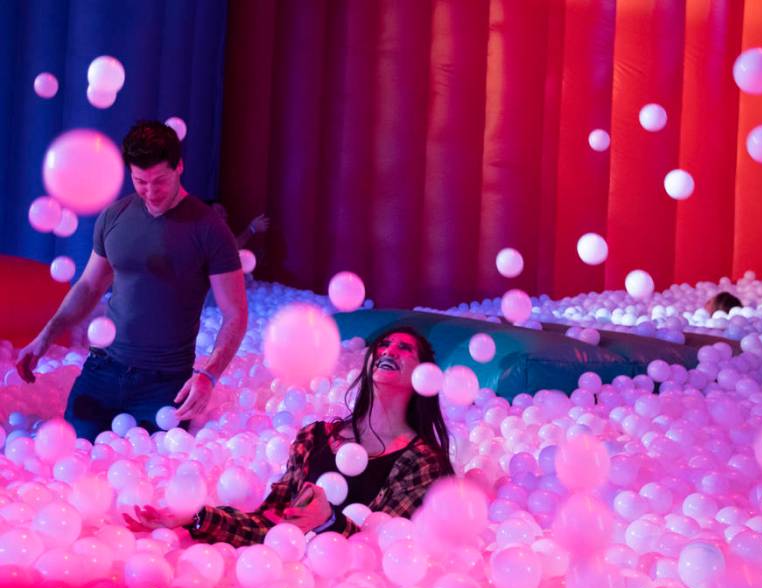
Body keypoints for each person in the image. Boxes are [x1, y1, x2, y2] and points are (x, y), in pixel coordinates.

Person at [15, 120, 247, 439]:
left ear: (179, 166)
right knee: (72, 454)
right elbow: (88, 286)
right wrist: (46, 336)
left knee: (148, 470)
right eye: (140, 181)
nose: (150, 192)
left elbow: (235, 312)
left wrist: (208, 374)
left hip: (165, 382)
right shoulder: (115, 217)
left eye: (160, 181)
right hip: (103, 371)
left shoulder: (209, 229)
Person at [123, 327, 454, 543]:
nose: (388, 351)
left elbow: (389, 546)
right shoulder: (316, 437)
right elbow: (270, 524)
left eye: (404, 348)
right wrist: (196, 517)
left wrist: (329, 523)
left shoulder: (422, 462)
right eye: (382, 344)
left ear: (424, 375)